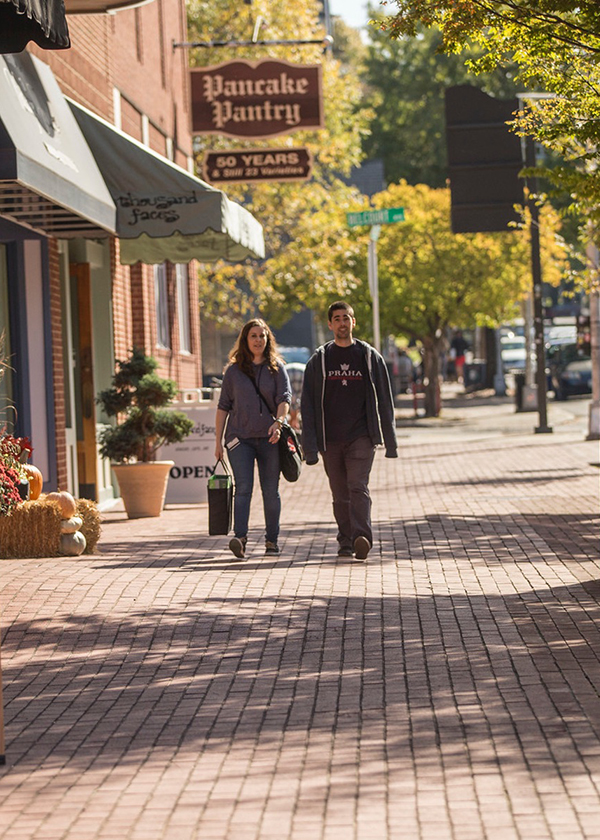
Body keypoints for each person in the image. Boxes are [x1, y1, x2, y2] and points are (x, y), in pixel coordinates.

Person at [301, 301, 398, 560]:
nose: (342, 323)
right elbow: (307, 405)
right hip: (330, 439)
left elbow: (385, 399)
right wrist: (309, 447)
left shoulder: (369, 357)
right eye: (337, 319)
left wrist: (390, 442)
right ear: (330, 324)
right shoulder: (319, 360)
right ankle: (345, 539)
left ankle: (361, 537)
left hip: (361, 437)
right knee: (340, 494)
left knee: (357, 486)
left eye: (346, 318)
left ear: (353, 322)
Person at [215, 319, 291, 560]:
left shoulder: (276, 368)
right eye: (253, 336)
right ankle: (240, 538)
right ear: (245, 340)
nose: (258, 340)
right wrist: (217, 442)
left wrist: (278, 423)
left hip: (269, 439)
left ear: (268, 339)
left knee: (270, 491)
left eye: (262, 336)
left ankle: (272, 541)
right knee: (243, 488)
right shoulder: (233, 371)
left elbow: (284, 399)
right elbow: (223, 407)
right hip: (240, 439)